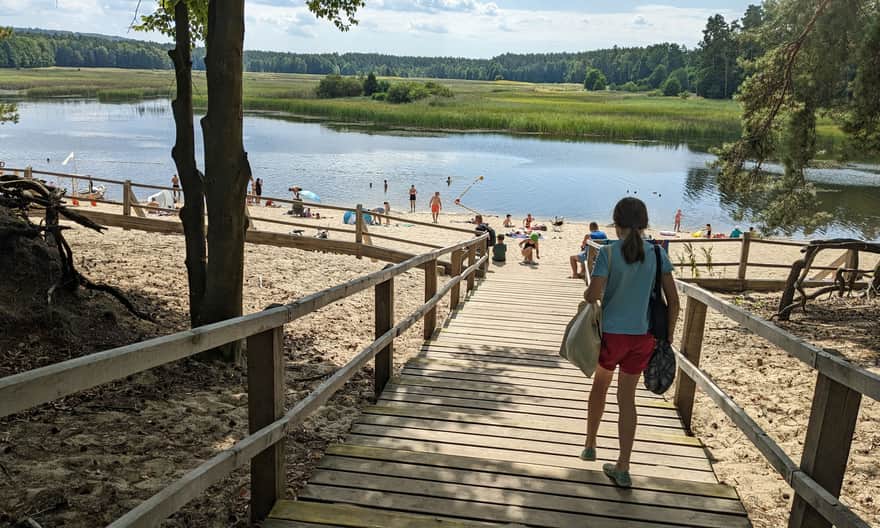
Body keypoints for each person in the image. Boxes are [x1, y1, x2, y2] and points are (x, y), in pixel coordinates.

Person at [582, 197, 679, 488]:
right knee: (627, 400)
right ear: (644, 222)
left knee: (600, 386)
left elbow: (593, 295)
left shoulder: (609, 254)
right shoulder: (659, 255)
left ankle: (590, 444)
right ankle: (623, 466)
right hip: (643, 337)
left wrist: (593, 293)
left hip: (611, 335)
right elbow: (673, 301)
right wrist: (669, 335)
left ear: (617, 223)